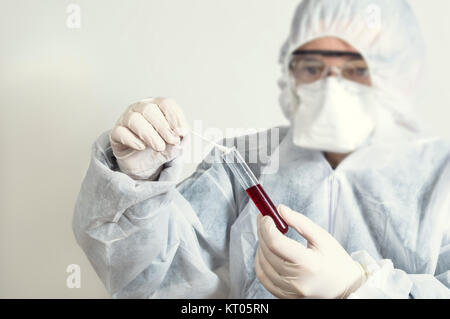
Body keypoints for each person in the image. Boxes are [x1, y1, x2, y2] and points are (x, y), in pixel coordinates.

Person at [73, 0, 450, 298]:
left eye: (355, 68)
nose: (331, 87)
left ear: (400, 74)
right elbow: (148, 282)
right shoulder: (246, 162)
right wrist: (139, 181)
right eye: (313, 66)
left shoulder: (441, 175)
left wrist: (356, 288)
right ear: (292, 74)